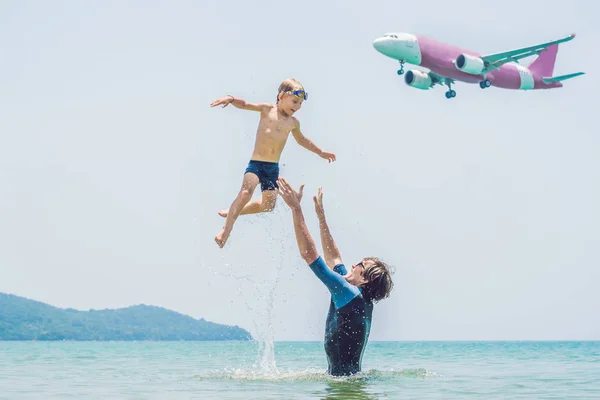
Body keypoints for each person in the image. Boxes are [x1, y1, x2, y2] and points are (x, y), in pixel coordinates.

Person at [276, 177, 394, 376]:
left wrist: (296, 209)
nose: (353, 264)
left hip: (343, 387)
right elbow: (334, 257)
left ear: (364, 279)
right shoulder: (357, 296)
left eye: (360, 265)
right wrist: (321, 216)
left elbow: (310, 256)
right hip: (350, 384)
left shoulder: (348, 292)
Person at [210, 78, 336, 248]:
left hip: (272, 169)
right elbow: (246, 104)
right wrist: (231, 99)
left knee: (268, 205)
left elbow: (302, 140)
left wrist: (320, 152)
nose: (297, 107)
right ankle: (225, 230)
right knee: (246, 192)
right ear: (282, 96)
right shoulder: (267, 109)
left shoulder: (293, 123)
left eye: (300, 104)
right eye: (295, 101)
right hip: (256, 164)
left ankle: (234, 211)